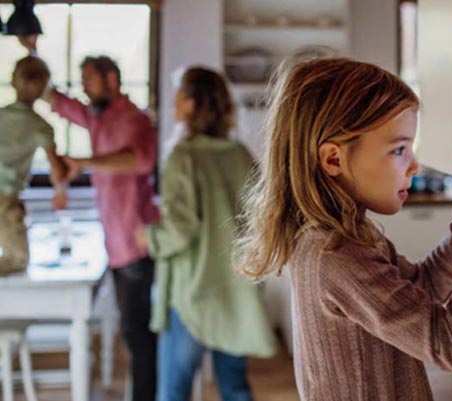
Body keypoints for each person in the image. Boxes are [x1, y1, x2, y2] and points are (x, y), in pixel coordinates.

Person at [236, 57, 452, 401]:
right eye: (399, 149)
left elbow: (420, 290)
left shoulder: (347, 237)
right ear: (333, 160)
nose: (415, 165)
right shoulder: (333, 256)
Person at [135, 67, 277, 401]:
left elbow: (181, 230)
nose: (173, 102)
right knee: (235, 387)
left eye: (180, 95)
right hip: (235, 290)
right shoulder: (239, 154)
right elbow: (262, 219)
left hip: (192, 293)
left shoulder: (184, 156)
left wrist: (150, 238)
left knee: (174, 390)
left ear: (194, 103)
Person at [44, 55, 159, 401]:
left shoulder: (136, 119)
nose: (85, 87)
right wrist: (32, 51)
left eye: (90, 79)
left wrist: (85, 161)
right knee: (129, 331)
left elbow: (139, 160)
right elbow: (57, 101)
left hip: (136, 243)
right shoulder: (99, 117)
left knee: (138, 334)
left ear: (112, 78)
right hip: (115, 243)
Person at [0, 56, 67, 275]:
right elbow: (56, 169)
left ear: (12, 81)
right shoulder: (41, 126)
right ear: (44, 91)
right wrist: (60, 192)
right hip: (6, 200)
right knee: (18, 260)